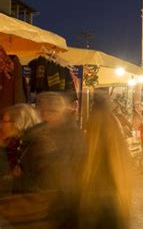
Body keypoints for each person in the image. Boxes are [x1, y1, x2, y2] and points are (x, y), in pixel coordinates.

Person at [79, 93, 132, 228]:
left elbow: (89, 156)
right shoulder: (112, 122)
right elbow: (121, 157)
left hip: (99, 193)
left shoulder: (95, 121)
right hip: (111, 193)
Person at [36, 92, 85, 227]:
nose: (42, 115)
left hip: (63, 199)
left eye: (45, 111)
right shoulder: (52, 130)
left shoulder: (67, 133)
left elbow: (63, 169)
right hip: (58, 199)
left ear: (55, 112)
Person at [0, 104, 58, 194]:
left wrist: (11, 180)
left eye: (4, 121)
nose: (1, 126)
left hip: (34, 204)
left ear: (18, 122)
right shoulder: (23, 142)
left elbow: (43, 186)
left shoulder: (40, 144)